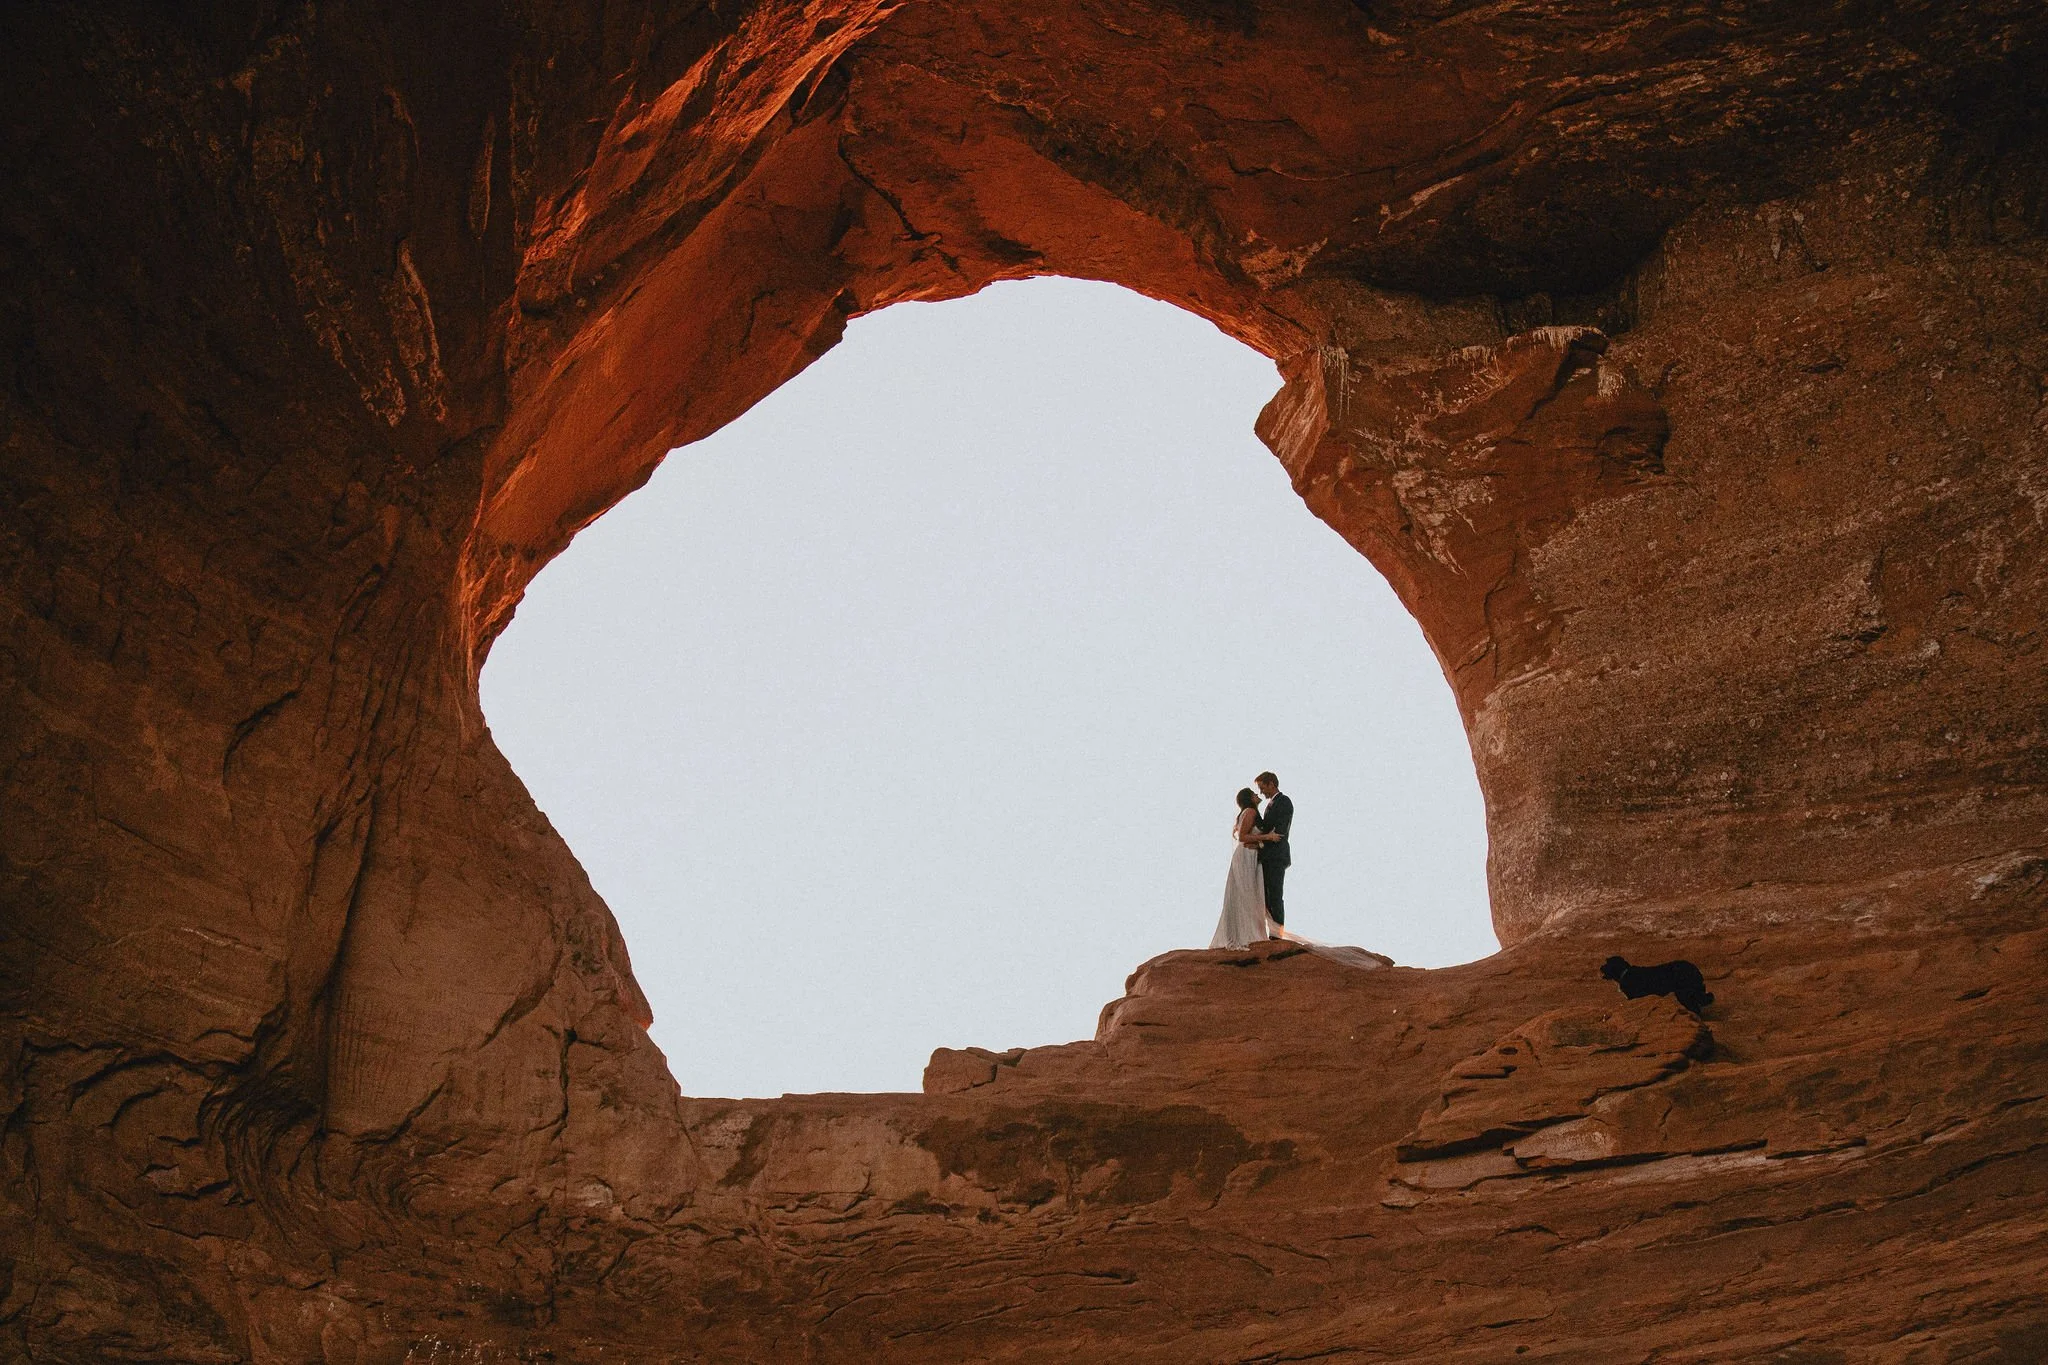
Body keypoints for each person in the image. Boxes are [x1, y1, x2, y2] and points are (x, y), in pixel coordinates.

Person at [1208, 788, 1273, 948]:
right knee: (1247, 893)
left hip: (1249, 855)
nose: (1258, 795)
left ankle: (1243, 931)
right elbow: (1243, 837)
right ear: (1249, 798)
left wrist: (1260, 842)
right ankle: (1246, 934)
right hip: (1246, 856)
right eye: (1254, 794)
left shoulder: (1247, 812)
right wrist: (1267, 837)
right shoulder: (1250, 812)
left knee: (1246, 893)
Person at [1252, 771, 1293, 929]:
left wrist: (1265, 837)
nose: (1262, 792)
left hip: (1276, 856)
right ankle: (1272, 931)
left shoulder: (1284, 801)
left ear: (1272, 784)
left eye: (1263, 788)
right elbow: (1265, 828)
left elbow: (1279, 830)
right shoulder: (1269, 805)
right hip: (1268, 856)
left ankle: (1277, 933)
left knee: (1275, 894)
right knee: (1267, 896)